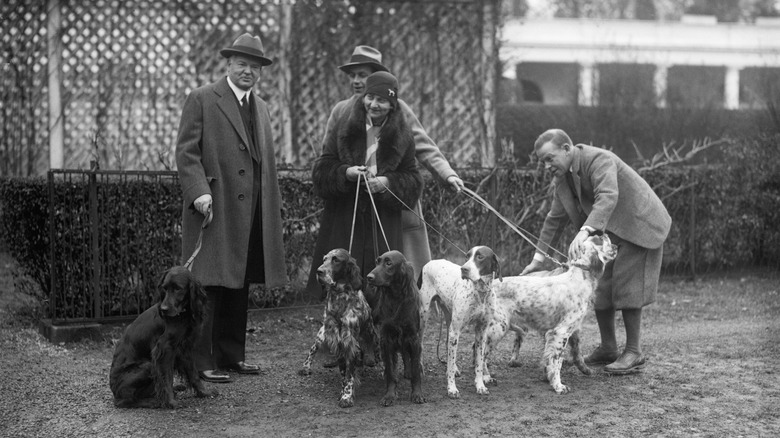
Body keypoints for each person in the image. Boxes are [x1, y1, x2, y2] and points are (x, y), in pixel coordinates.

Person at [306, 45, 464, 299]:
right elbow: (327, 159)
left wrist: (447, 174)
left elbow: (424, 146)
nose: (358, 81)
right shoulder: (341, 111)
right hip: (351, 206)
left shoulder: (398, 109)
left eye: (365, 75)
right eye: (354, 75)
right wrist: (344, 173)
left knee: (391, 272)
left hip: (389, 205)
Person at [175, 33, 288, 383]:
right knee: (208, 285)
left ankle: (231, 356)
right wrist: (198, 192)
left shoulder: (263, 107)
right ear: (228, 65)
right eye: (242, 64)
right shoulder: (203, 99)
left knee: (239, 284)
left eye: (255, 67)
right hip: (214, 206)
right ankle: (200, 360)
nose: (248, 72)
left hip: (252, 210)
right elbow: (186, 152)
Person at [521, 128, 671, 374]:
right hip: (612, 232)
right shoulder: (562, 181)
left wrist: (585, 231)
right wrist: (537, 261)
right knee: (600, 286)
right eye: (542, 162)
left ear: (567, 149)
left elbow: (607, 196)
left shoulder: (598, 159)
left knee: (627, 284)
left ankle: (633, 351)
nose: (546, 165)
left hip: (640, 224)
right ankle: (608, 348)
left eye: (550, 158)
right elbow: (554, 220)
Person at [309, 71, 424, 302]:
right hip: (344, 217)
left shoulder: (403, 135)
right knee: (341, 293)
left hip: (383, 221)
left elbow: (413, 179)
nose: (374, 104)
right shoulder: (344, 125)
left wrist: (388, 182)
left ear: (392, 104)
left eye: (382, 100)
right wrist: (346, 173)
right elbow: (321, 170)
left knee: (380, 293)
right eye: (370, 97)